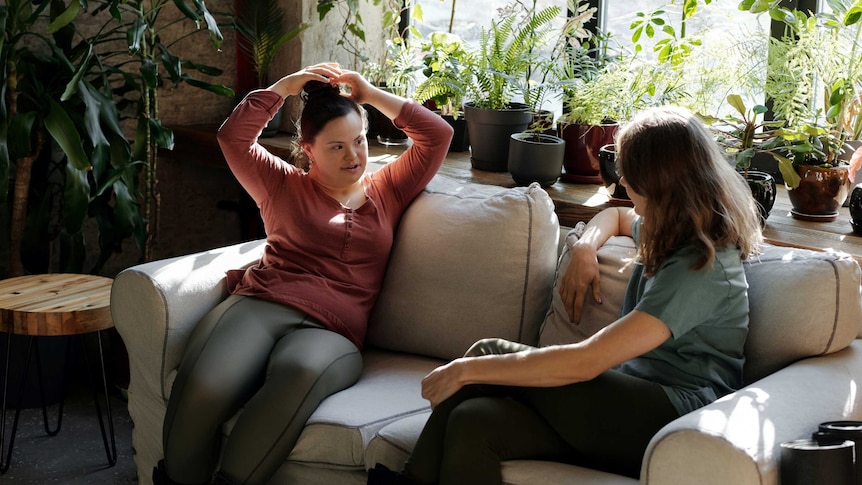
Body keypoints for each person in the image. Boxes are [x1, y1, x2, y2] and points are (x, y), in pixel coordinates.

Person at [368, 105, 764, 485]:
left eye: (629, 173)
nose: (622, 182)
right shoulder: (672, 228)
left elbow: (587, 361)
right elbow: (621, 217)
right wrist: (584, 247)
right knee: (475, 422)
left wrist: (465, 370)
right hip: (627, 406)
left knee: (488, 352)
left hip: (672, 417)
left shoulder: (700, 267)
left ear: (661, 181)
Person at [153, 63, 453, 485]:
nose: (353, 156)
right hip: (261, 303)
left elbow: (438, 135)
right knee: (205, 383)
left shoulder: (389, 189)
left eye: (359, 141)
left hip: (334, 329)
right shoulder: (281, 183)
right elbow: (233, 137)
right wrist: (283, 87)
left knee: (299, 371)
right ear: (307, 149)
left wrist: (370, 94)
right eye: (336, 147)